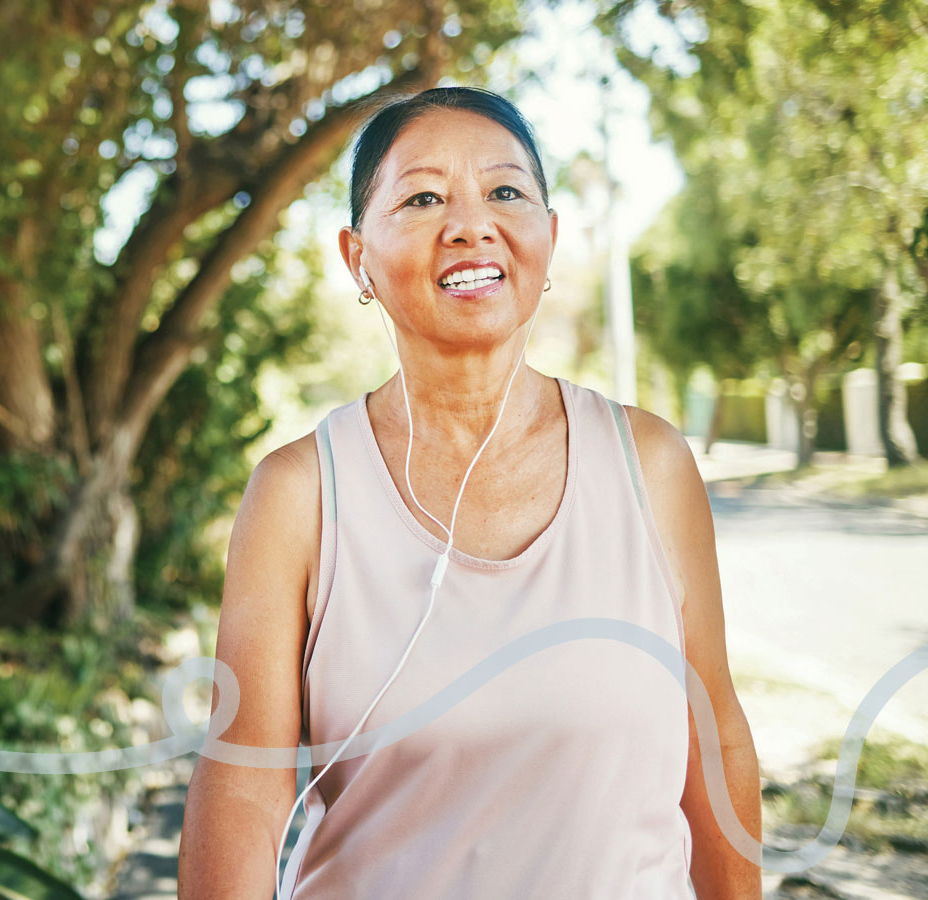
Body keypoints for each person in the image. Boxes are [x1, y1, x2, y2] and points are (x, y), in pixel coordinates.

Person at [177, 86, 763, 900]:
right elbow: (244, 785)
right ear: (357, 260)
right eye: (422, 198)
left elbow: (715, 740)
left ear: (549, 241)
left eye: (506, 191)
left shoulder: (650, 463)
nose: (470, 224)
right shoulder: (299, 492)